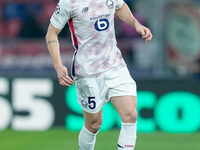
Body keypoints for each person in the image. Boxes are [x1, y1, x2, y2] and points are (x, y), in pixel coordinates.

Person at [46, 0, 152, 149]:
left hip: (115, 66)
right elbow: (51, 34)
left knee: (130, 115)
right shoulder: (68, 3)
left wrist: (136, 24)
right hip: (88, 72)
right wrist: (58, 65)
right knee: (94, 124)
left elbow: (120, 7)